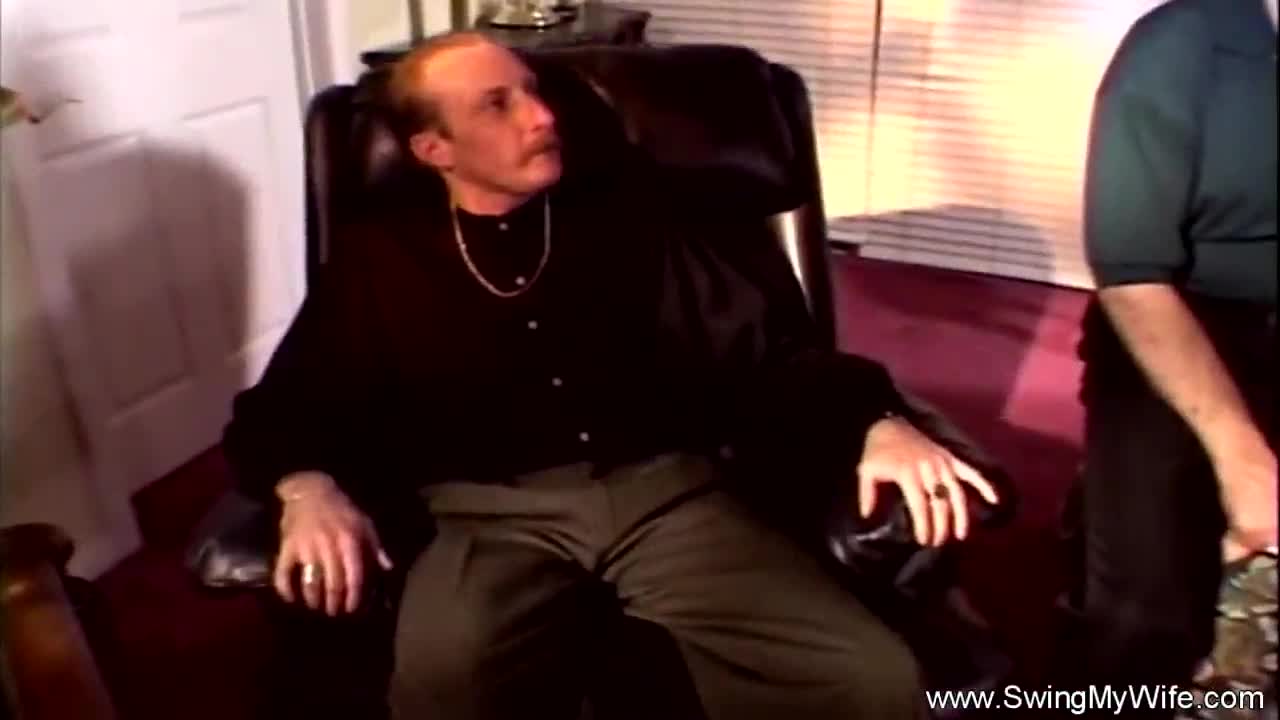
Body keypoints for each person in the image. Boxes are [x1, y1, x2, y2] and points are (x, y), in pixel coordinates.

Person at [223, 31, 999, 720]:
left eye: (532, 90)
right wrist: (306, 488)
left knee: (872, 675)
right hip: (485, 520)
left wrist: (877, 422)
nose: (541, 116)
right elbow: (291, 399)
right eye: (498, 105)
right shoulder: (382, 260)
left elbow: (766, 353)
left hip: (667, 499)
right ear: (435, 150)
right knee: (444, 685)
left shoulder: (631, 218)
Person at [1071, 0, 1277, 712]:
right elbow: (1131, 276)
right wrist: (1243, 458)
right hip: (1178, 325)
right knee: (1146, 615)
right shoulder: (1179, 45)